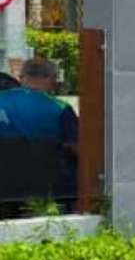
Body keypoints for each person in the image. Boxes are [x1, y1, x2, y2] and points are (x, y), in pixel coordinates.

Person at [0, 58, 78, 208]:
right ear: (51, 79)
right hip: (50, 188)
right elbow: (77, 148)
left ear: (22, 77)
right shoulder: (60, 108)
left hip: (5, 185)